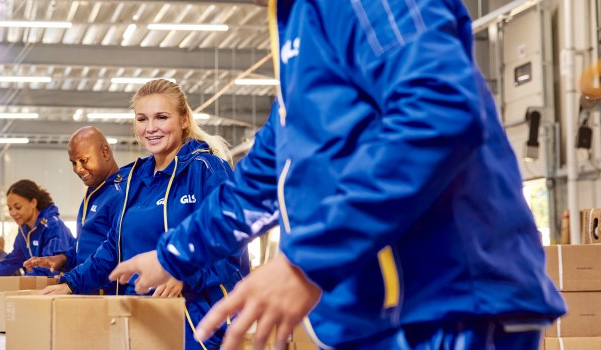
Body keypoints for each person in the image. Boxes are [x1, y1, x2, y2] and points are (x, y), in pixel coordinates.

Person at [109, 1, 566, 349]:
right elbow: (267, 178)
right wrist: (174, 255)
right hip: (380, 314)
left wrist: (308, 261)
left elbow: (438, 111)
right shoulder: (297, 24)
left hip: (448, 306)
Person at [41, 79, 248, 350]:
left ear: (184, 120)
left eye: (161, 117)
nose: (150, 128)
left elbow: (231, 243)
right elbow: (112, 248)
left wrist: (185, 273)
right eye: (142, 119)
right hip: (143, 319)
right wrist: (71, 283)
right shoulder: (134, 180)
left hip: (198, 324)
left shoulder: (206, 169)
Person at [22, 126, 129, 295]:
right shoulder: (94, 193)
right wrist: (63, 258)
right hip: (88, 292)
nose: (78, 169)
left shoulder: (123, 193)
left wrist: (71, 282)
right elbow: (88, 247)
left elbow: (113, 252)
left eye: (84, 160)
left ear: (105, 152)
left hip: (111, 298)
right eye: (73, 163)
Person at [0, 179, 76, 278]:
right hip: (39, 285)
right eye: (10, 208)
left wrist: (24, 283)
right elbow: (12, 261)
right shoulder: (24, 231)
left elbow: (48, 267)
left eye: (18, 207)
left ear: (33, 203)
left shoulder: (53, 226)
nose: (12, 213)